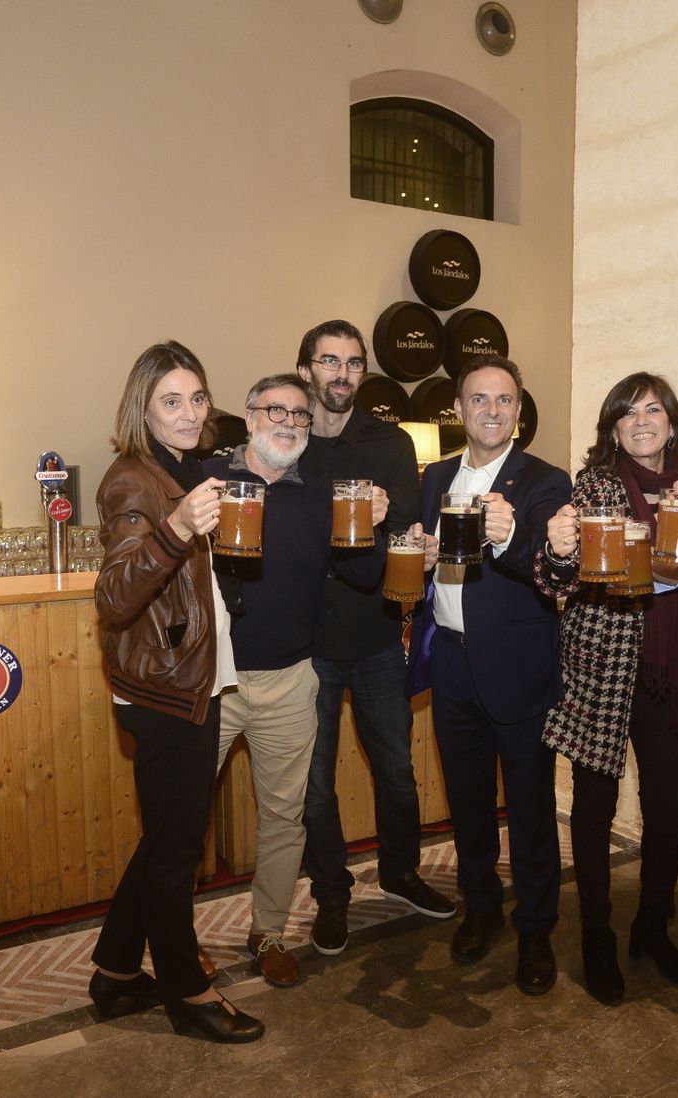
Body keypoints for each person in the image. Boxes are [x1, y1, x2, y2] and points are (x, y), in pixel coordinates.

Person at [90, 340, 263, 1043]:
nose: (189, 413)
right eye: (171, 401)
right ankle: (188, 993)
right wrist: (176, 529)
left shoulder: (179, 470)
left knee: (165, 837)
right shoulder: (135, 483)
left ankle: (115, 972)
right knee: (177, 850)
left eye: (196, 398)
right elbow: (113, 595)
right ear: (143, 409)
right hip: (164, 690)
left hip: (185, 677)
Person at [203, 373, 386, 989]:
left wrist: (376, 524)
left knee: (284, 817)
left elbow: (363, 575)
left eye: (300, 415)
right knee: (184, 815)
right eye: (275, 411)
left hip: (290, 680)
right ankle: (175, 938)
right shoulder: (208, 480)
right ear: (250, 416)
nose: (288, 423)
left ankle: (269, 932)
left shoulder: (322, 495)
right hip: (215, 681)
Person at [536, 373, 678, 1006]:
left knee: (668, 808)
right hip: (605, 667)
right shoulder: (594, 486)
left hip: (673, 667)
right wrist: (559, 550)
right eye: (628, 413)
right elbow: (558, 576)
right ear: (613, 429)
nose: (642, 421)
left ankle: (653, 927)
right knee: (594, 807)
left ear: (672, 422)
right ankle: (596, 936)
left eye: (653, 409)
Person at [407, 355, 571, 996]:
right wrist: (420, 557)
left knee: (530, 806)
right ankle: (480, 909)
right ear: (458, 409)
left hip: (518, 664)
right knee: (468, 801)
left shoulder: (545, 480)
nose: (492, 410)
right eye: (479, 399)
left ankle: (536, 927)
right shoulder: (436, 476)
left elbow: (555, 566)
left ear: (520, 412)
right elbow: (430, 560)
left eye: (504, 400)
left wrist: (510, 536)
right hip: (450, 660)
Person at [294, 319, 455, 958]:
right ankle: (331, 895)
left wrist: (407, 539)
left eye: (353, 363)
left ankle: (400, 872)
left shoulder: (390, 443)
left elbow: (408, 531)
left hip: (378, 635)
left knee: (395, 769)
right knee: (314, 784)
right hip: (306, 643)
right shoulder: (288, 438)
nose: (342, 374)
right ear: (305, 369)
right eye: (329, 361)